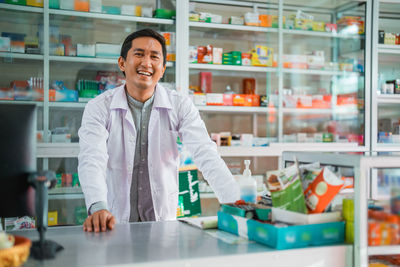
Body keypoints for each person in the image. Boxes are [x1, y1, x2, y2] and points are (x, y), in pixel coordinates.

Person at [78, 28, 239, 233]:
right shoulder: (99, 107)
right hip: (113, 221)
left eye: (155, 57)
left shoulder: (180, 105)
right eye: (138, 54)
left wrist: (235, 203)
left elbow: (206, 154)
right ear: (122, 63)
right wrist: (98, 207)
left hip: (163, 223)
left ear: (162, 69)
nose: (147, 63)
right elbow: (92, 159)